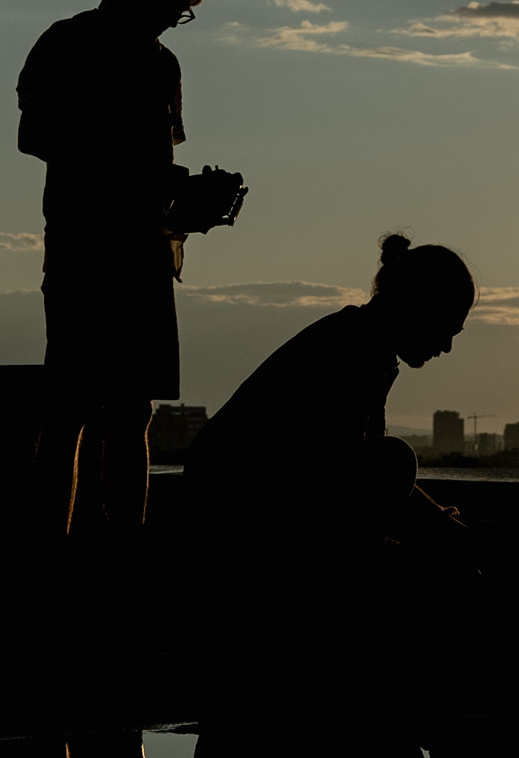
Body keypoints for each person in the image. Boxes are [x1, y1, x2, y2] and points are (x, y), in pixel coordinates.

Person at [17, 0, 226, 541]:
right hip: (87, 252)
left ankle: (123, 554)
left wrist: (190, 202)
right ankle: (51, 551)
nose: (175, 20)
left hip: (145, 254)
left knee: (131, 414)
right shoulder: (67, 41)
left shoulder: (164, 64)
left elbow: (156, 172)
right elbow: (35, 138)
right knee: (70, 413)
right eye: (177, 5)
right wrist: (138, 176)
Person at [185, 233, 476, 556]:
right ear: (420, 306)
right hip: (233, 513)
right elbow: (345, 478)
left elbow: (347, 472)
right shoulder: (353, 351)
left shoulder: (360, 340)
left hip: (228, 497)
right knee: (395, 460)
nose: (447, 346)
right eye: (447, 327)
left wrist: (443, 528)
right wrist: (450, 537)